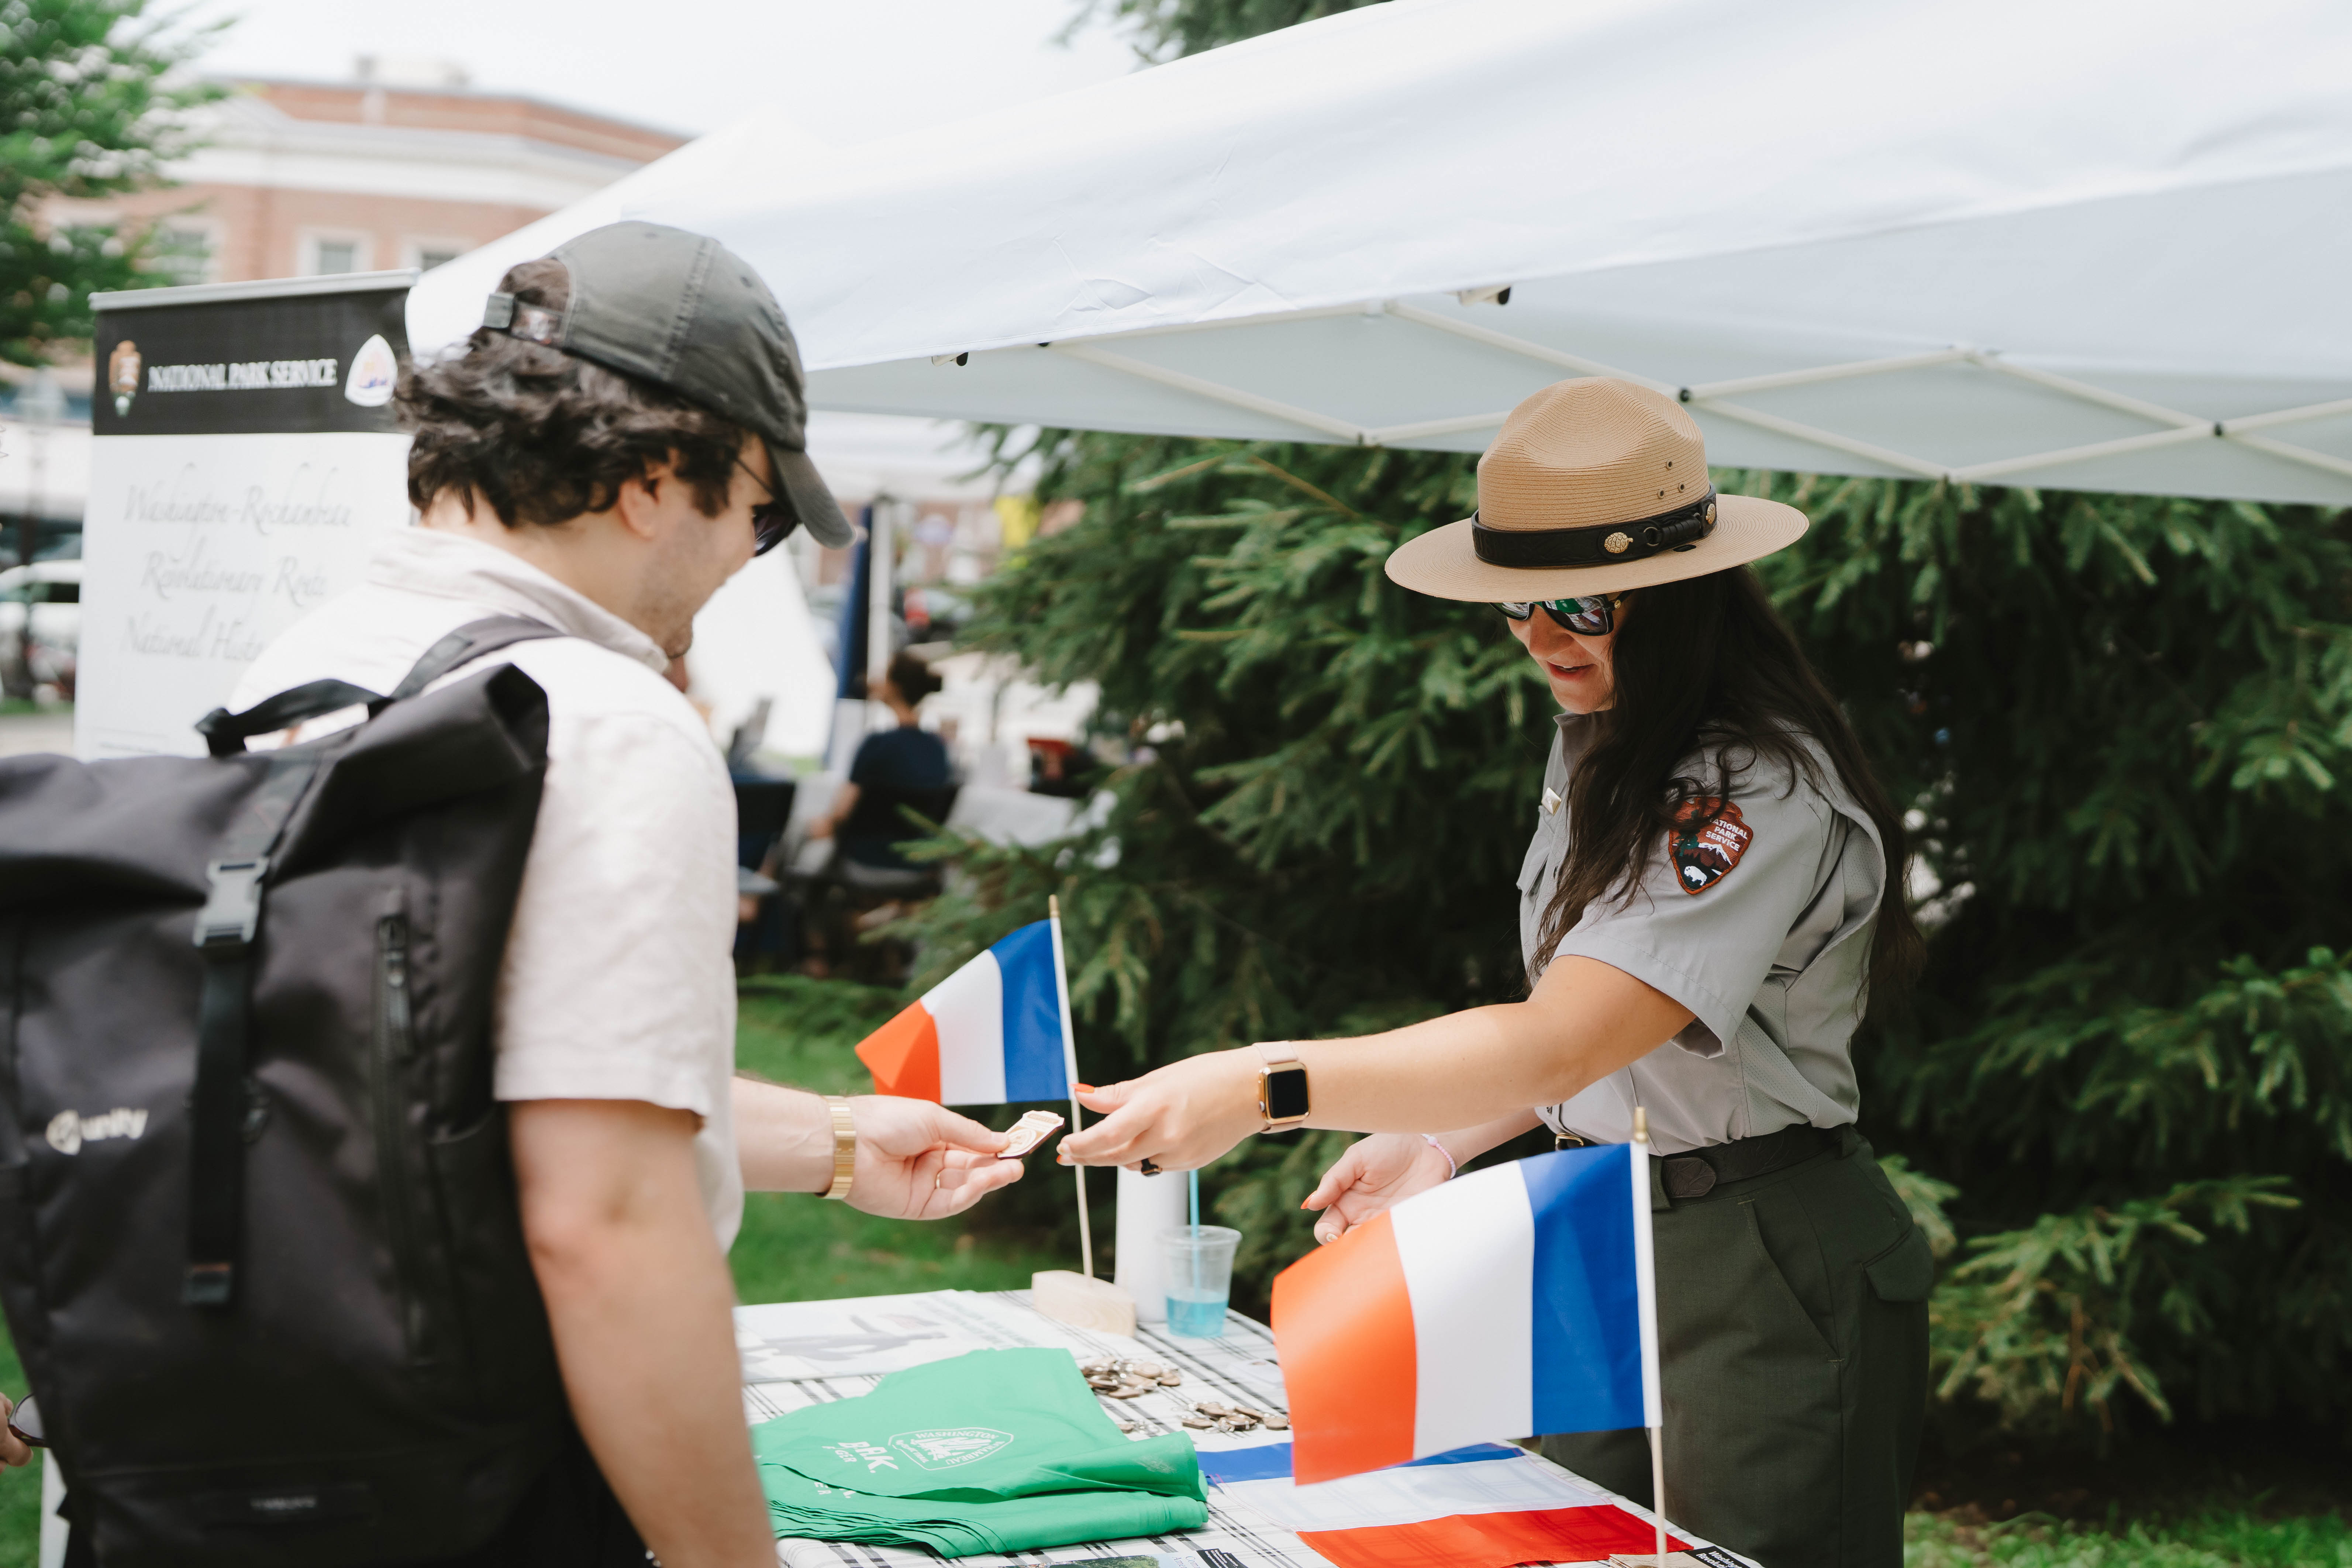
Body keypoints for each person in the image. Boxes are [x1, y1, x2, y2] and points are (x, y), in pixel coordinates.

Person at [221, 223, 1026, 1568]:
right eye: (762, 516)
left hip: (272, 1448)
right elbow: (602, 1219)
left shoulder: (302, 663)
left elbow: (464, 1082)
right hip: (479, 1481)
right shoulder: (607, 719)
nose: (742, 558)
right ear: (657, 476)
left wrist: (835, 1139)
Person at [1057, 378, 1934, 1568]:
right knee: (1567, 1544)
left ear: (1683, 595)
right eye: (1515, 607)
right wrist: (1448, 1141)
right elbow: (1598, 1025)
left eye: (1576, 601)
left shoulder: (1743, 789)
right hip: (1607, 1221)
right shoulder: (1609, 737)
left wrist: (1266, 1085)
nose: (1539, 637)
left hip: (1757, 1249)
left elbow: (1569, 1038)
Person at [808, 650, 953, 875]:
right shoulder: (938, 748)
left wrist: (826, 824)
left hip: (867, 857)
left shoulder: (878, 745)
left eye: (883, 675)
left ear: (895, 686)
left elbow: (841, 814)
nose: (874, 680)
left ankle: (757, 901)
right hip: (917, 861)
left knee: (801, 829)